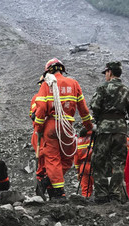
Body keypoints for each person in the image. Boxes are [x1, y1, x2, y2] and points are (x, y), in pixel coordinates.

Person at [33, 58, 93, 200]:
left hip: (51, 126)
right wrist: (89, 127)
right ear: (62, 69)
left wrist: (38, 129)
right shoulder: (74, 84)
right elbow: (83, 109)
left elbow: (41, 108)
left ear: (48, 71)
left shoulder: (47, 84)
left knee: (53, 160)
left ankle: (56, 191)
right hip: (67, 127)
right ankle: (54, 187)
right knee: (67, 160)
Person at [89, 61, 129, 203]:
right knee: (118, 163)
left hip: (104, 130)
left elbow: (95, 106)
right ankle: (116, 194)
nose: (105, 75)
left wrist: (98, 122)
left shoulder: (102, 88)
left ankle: (101, 195)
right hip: (120, 131)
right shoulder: (127, 91)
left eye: (105, 73)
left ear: (109, 72)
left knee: (99, 161)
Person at [74, 126, 94, 198]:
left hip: (83, 166)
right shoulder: (95, 138)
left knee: (85, 188)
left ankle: (86, 200)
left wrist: (78, 170)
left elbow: (76, 157)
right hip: (94, 165)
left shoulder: (79, 140)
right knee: (100, 186)